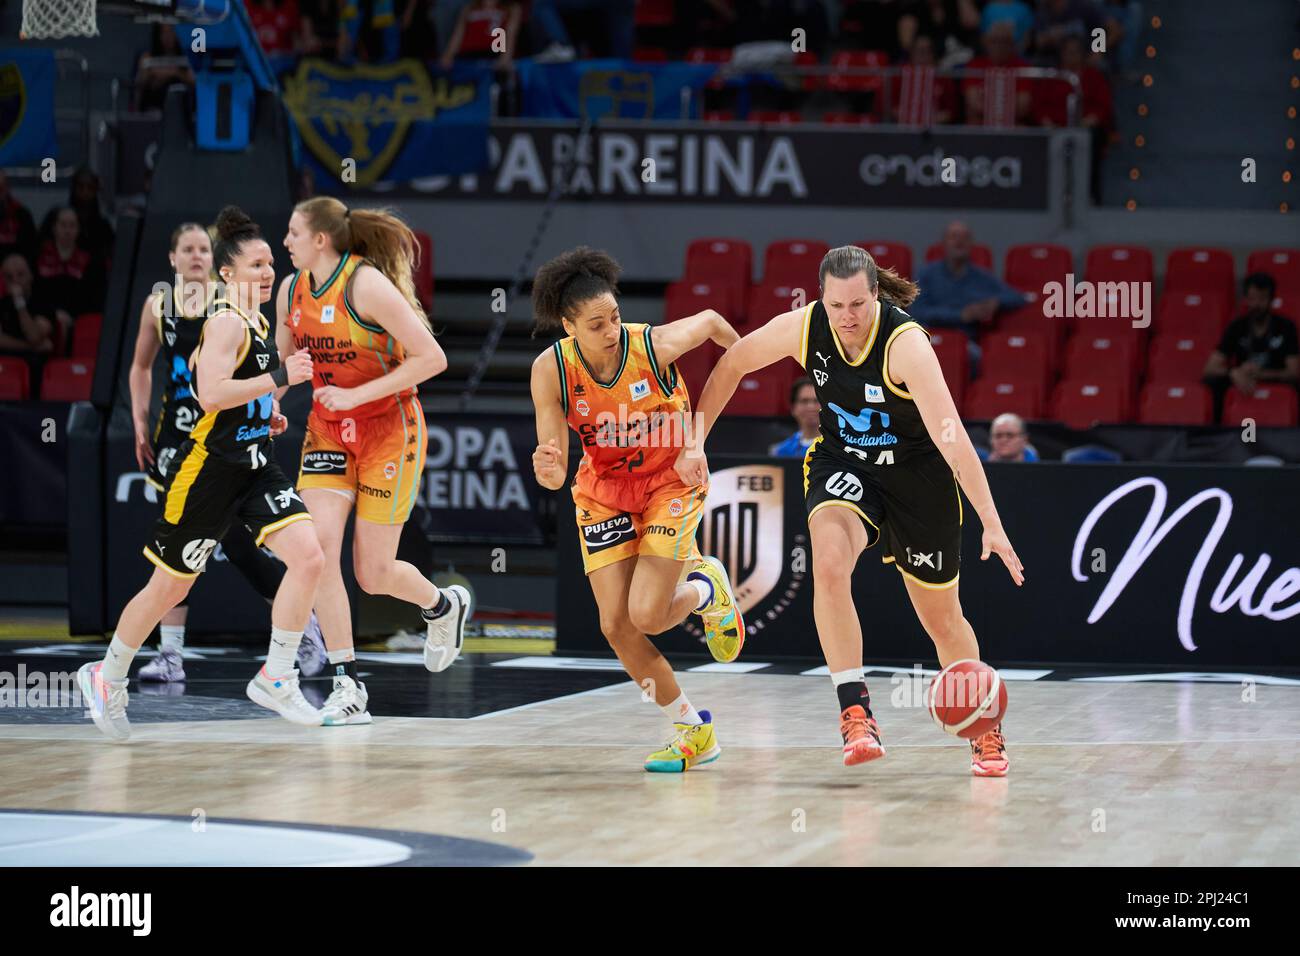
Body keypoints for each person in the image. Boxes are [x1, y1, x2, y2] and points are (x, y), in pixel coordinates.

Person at [681, 245, 1023, 775]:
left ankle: (983, 725)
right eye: (837, 306)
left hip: (919, 476)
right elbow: (733, 362)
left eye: (859, 305)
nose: (848, 318)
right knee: (829, 563)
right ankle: (855, 711)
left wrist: (992, 522)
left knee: (943, 621)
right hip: (845, 463)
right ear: (822, 298)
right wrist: (695, 440)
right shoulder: (804, 326)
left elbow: (951, 436)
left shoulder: (906, 344)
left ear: (876, 296)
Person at [78, 206, 326, 740]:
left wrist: (267, 411)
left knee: (309, 557)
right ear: (227, 275)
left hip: (255, 465)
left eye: (270, 265)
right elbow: (210, 395)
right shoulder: (225, 320)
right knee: (168, 587)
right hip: (209, 473)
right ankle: (108, 672)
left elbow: (213, 385)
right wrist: (280, 376)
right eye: (257, 266)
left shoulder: (257, 322)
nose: (268, 274)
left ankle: (276, 676)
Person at [529, 246, 744, 773]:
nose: (611, 330)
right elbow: (555, 465)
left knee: (648, 613)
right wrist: (548, 466)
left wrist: (697, 438)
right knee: (616, 625)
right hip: (603, 488)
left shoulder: (655, 345)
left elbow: (717, 325)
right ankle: (694, 731)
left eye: (615, 317)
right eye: (596, 324)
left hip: (670, 479)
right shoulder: (551, 369)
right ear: (568, 326)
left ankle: (706, 588)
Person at [279, 196, 460, 727]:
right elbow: (287, 361)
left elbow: (433, 358)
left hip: (388, 430)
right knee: (317, 551)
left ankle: (442, 606)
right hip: (329, 430)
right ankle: (347, 681)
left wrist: (357, 396)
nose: (284, 241)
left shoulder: (365, 285)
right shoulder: (290, 291)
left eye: (293, 232)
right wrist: (270, 402)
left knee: (373, 574)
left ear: (320, 240)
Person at [127, 221, 327, 683]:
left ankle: (302, 635)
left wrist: (263, 408)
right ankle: (168, 655)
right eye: (187, 249)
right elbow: (141, 366)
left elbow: (218, 385)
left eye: (202, 248)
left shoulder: (232, 310)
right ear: (173, 259)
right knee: (176, 563)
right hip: (180, 440)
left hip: (225, 435)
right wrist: (138, 419)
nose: (195, 256)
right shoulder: (159, 306)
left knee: (243, 549)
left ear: (215, 266)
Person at [1203, 273, 1300, 420]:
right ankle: (1219, 434)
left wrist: (1260, 374)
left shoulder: (1286, 326)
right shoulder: (1237, 326)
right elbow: (1209, 368)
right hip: (1242, 380)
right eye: (1252, 299)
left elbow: (1294, 372)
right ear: (1246, 299)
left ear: (1271, 300)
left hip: (1274, 379)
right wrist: (1233, 373)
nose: (1256, 304)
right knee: (1213, 382)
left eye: (1262, 299)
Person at [909, 221, 1027, 334]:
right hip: (932, 339)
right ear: (944, 243)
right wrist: (961, 315)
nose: (959, 241)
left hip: (967, 343)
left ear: (971, 244)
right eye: (954, 236)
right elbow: (918, 312)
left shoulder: (982, 277)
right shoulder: (925, 275)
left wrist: (996, 303)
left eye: (965, 237)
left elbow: (1018, 297)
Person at [0, 253, 57, 359]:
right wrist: (30, 347)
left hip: (34, 364)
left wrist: (19, 302)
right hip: (6, 363)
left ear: (30, 275)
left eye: (20, 274)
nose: (15, 280)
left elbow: (34, 337)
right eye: (9, 277)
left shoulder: (44, 303)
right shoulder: (2, 304)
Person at [438, 0, 521, 70]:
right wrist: (448, 55)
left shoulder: (511, 8)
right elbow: (458, 35)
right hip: (467, 56)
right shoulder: (470, 8)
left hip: (491, 56)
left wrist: (504, 59)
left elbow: (510, 35)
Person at [771, 377, 821, 456]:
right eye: (804, 401)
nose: (811, 407)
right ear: (793, 408)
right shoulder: (780, 451)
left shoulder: (840, 448)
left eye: (817, 400)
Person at [0, 171, 40, 267]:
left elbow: (31, 251)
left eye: (1, 188)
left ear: (7, 188)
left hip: (15, 271)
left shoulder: (22, 215)